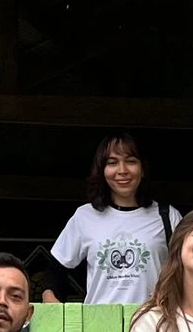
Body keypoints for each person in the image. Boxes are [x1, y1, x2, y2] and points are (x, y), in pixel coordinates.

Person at [51, 132, 179, 308]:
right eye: (112, 163)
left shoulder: (167, 216)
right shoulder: (85, 216)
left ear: (143, 169)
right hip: (98, 320)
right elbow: (55, 269)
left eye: (131, 161)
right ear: (102, 171)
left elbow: (187, 271)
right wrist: (52, 305)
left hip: (152, 319)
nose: (122, 170)